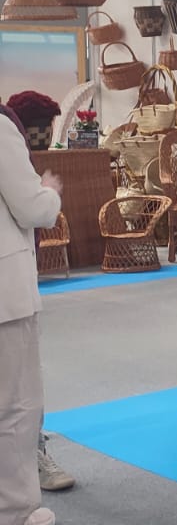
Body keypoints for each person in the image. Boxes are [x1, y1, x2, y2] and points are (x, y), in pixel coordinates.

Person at [1, 104, 63, 525]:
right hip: (6, 294)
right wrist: (50, 190)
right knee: (16, 405)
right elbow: (31, 207)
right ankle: (17, 510)